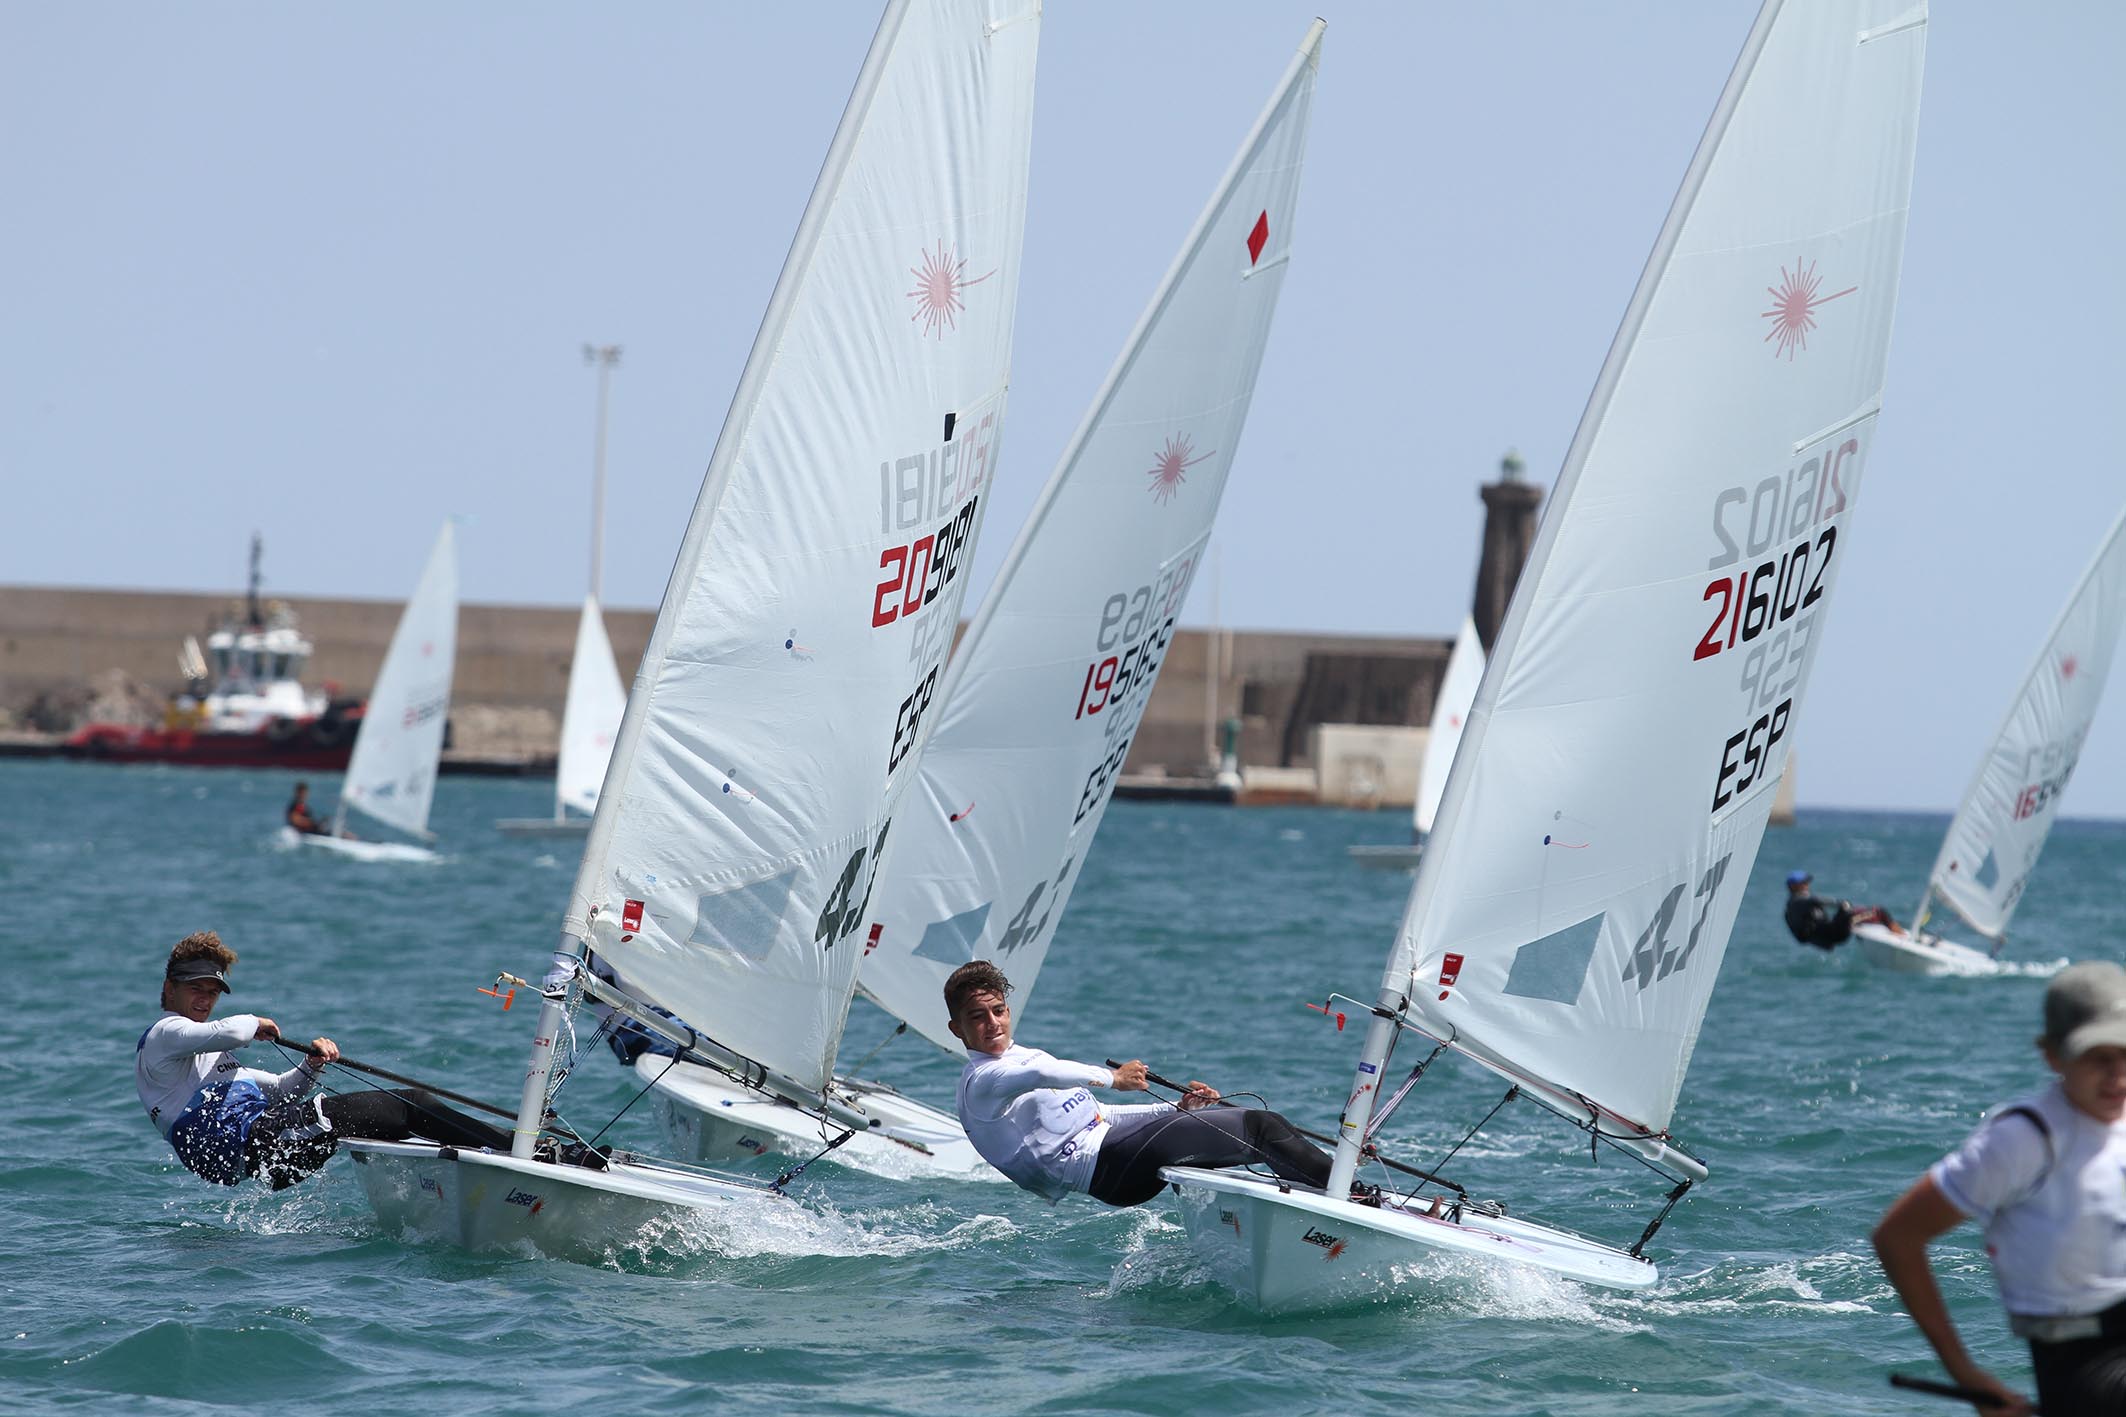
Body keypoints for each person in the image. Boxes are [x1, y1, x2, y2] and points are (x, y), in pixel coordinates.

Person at [1872, 960, 2126, 1414]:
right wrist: (1966, 1375)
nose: (2117, 1075)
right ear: (2051, 1054)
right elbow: (1897, 1237)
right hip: (2083, 1367)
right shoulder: (2024, 1139)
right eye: (2097, 1056)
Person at [943, 959, 1352, 1208]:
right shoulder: (983, 1080)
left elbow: (1099, 1115)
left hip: (1116, 1157)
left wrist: (1174, 1110)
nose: (993, 1023)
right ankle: (1352, 1196)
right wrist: (1114, 1078)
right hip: (1106, 1167)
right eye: (978, 1017)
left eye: (998, 1010)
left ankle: (1303, 1203)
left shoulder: (1021, 1055)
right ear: (957, 1029)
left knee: (1239, 1127)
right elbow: (1045, 1076)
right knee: (1261, 1126)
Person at [136, 930, 518, 1190]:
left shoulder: (207, 1062)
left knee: (387, 1124)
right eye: (195, 989)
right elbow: (233, 1031)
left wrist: (312, 1066)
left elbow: (283, 1091)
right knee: (409, 1105)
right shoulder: (163, 1035)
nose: (204, 999)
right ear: (170, 988)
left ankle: (475, 1170)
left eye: (213, 992)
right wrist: (256, 1022)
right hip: (255, 1145)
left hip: (260, 1153)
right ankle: (516, 1150)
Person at [1782, 869, 1897, 950]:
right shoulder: (1803, 900)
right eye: (1804, 883)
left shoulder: (1789, 908)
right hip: (1835, 934)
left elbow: (1802, 938)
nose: (1807, 885)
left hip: (1827, 937)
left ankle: (1857, 924)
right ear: (1793, 886)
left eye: (1807, 882)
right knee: (1879, 911)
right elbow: (1826, 902)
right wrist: (1844, 904)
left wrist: (1824, 944)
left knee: (1846, 913)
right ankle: (1899, 933)